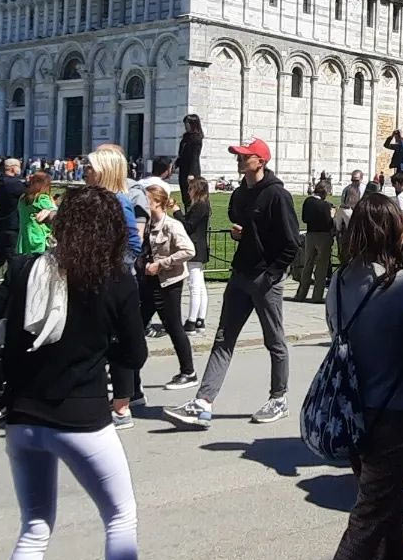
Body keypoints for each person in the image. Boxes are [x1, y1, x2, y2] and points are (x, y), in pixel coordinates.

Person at [0, 185, 147, 558]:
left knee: (35, 527)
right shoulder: (114, 279)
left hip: (22, 414)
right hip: (81, 416)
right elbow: (134, 354)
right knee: (120, 516)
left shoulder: (27, 269)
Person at [327, 195, 403, 560]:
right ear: (394, 231)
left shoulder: (339, 280)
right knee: (370, 516)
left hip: (352, 408)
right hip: (397, 410)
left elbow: (338, 334)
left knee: (387, 504)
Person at [165, 137, 300, 427]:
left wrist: (272, 274)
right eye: (238, 156)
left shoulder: (277, 195)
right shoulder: (240, 193)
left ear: (260, 161)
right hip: (240, 274)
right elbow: (238, 218)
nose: (239, 160)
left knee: (274, 341)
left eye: (245, 156)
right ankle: (203, 403)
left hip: (265, 278)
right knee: (223, 339)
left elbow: (292, 244)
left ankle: (279, 398)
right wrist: (239, 234)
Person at [113, 186, 198, 428]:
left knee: (173, 326)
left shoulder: (171, 226)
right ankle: (135, 388)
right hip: (149, 284)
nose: (142, 205)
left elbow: (189, 250)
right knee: (135, 330)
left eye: (147, 201)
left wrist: (162, 264)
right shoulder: (147, 225)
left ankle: (188, 371)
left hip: (169, 283)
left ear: (157, 203)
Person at [0, 157, 25, 295]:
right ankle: (8, 291)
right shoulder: (15, 184)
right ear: (14, 168)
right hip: (14, 225)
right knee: (14, 261)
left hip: (3, 223)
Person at [296, 182, 336, 303]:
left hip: (310, 234)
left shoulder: (308, 201)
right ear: (324, 192)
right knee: (321, 267)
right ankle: (317, 296)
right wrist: (332, 215)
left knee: (308, 265)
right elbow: (329, 222)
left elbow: (304, 218)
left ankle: (301, 294)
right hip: (323, 236)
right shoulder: (325, 206)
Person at [181, 176, 212, 333]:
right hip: (199, 247)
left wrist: (177, 212)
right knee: (199, 285)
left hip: (194, 247)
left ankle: (192, 320)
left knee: (194, 286)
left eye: (191, 188)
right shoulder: (203, 205)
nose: (188, 191)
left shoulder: (200, 206)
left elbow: (188, 225)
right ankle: (200, 319)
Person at [16, 171, 58, 255]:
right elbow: (56, 213)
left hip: (24, 237)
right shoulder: (42, 198)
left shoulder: (23, 198)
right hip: (39, 237)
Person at [176, 113, 204, 208]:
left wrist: (192, 173)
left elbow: (195, 157)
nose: (185, 126)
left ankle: (192, 215)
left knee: (191, 195)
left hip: (191, 170)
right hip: (183, 169)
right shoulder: (185, 137)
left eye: (187, 123)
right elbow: (182, 154)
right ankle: (187, 214)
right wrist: (175, 164)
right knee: (184, 194)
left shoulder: (196, 139)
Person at [336, 170, 366, 252]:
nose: (354, 182)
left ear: (361, 179)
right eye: (352, 180)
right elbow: (343, 202)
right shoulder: (347, 189)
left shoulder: (364, 190)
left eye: (356, 180)